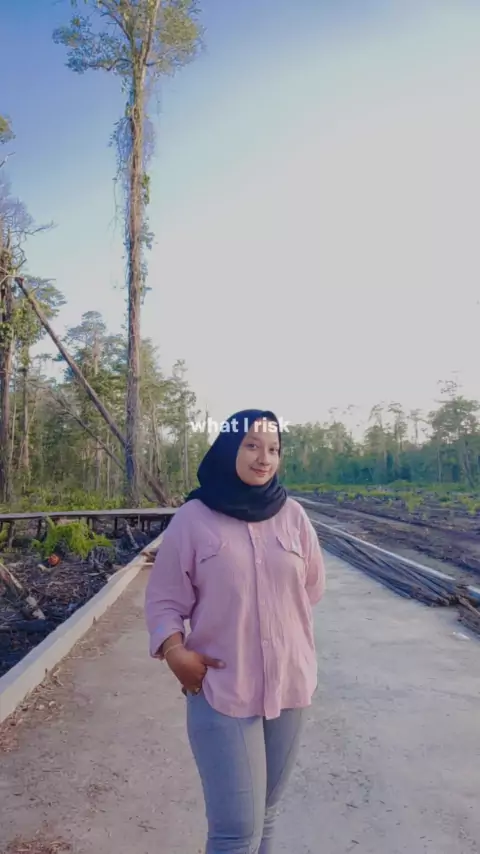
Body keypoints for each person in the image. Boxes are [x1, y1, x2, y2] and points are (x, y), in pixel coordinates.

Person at [144, 409, 326, 854]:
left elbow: (311, 587)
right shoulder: (194, 518)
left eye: (274, 449)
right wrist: (174, 652)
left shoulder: (293, 516)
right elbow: (164, 599)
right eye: (252, 445)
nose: (264, 458)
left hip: (289, 686)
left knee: (266, 815)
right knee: (235, 831)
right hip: (222, 689)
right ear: (229, 449)